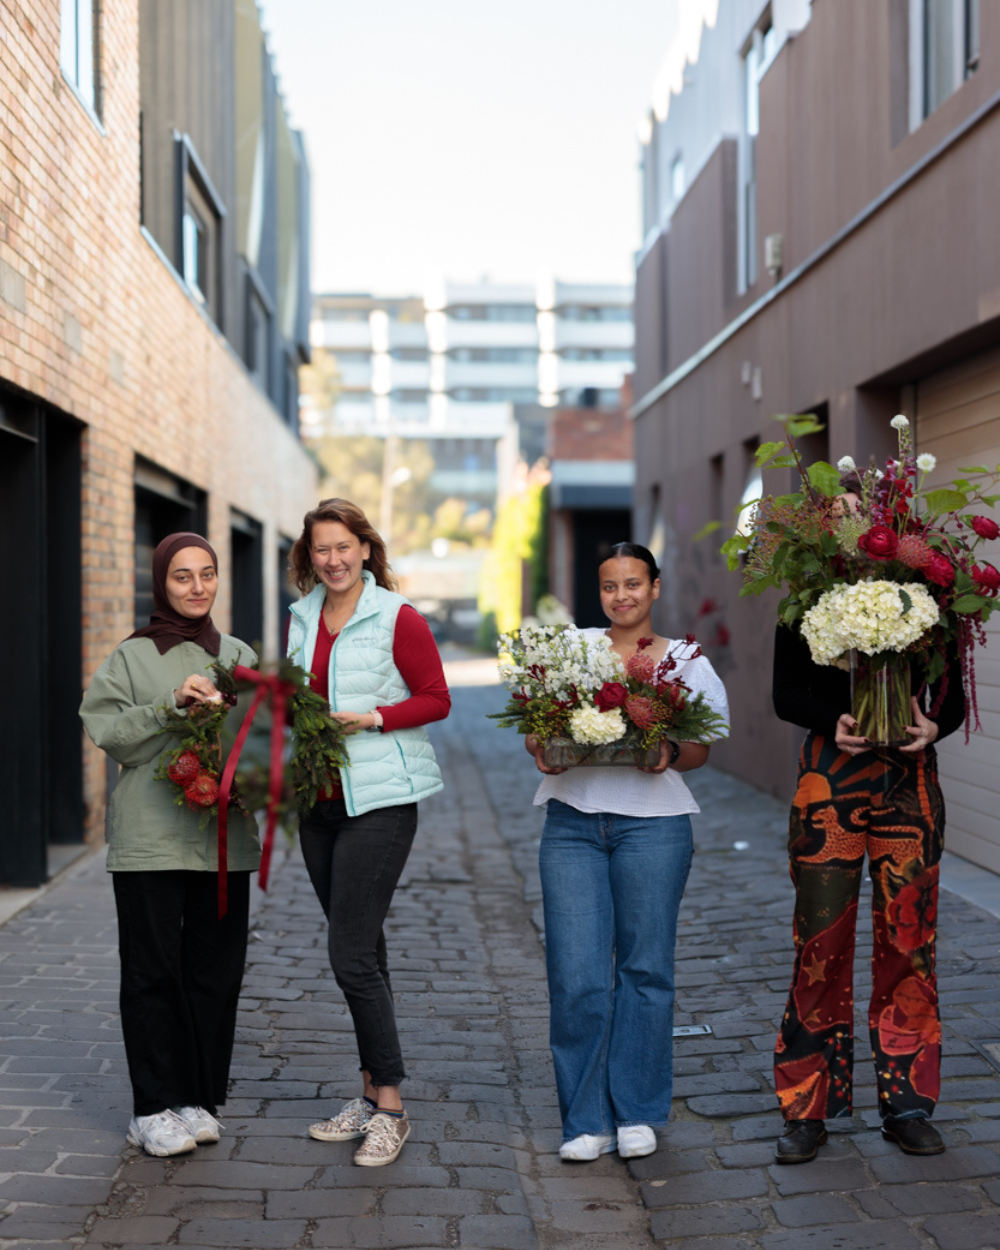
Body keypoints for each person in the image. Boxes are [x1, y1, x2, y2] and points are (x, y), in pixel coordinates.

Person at [771, 485, 965, 1164]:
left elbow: (953, 697)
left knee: (908, 943)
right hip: (830, 783)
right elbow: (783, 693)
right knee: (818, 943)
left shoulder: (925, 592)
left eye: (863, 515)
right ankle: (806, 1110)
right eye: (839, 516)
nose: (852, 527)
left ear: (884, 525)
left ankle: (907, 1105)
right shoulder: (802, 594)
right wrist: (836, 721)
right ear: (824, 529)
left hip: (909, 784)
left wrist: (933, 725)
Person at [524, 542, 729, 1162]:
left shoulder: (687, 661)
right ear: (600, 591)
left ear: (656, 587)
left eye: (633, 584)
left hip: (655, 826)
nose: (621, 596)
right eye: (610, 586)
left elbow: (700, 749)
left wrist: (668, 749)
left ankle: (637, 1111)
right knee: (577, 975)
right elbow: (536, 727)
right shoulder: (574, 652)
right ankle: (585, 1120)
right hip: (572, 824)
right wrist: (541, 740)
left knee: (645, 969)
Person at [80, 533, 260, 1157]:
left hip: (220, 842)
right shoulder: (130, 656)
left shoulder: (238, 655)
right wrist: (169, 705)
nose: (197, 587)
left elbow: (256, 746)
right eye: (182, 577)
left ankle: (197, 1099)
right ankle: (151, 1107)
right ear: (161, 583)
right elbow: (108, 732)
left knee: (215, 973)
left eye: (207, 574)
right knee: (153, 972)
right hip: (150, 841)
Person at [286, 498, 450, 1167]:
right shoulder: (301, 618)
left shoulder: (398, 616)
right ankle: (366, 1095)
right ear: (310, 556)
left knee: (349, 955)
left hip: (380, 801)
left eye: (342, 547)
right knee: (366, 954)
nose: (333, 559)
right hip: (317, 803)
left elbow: (437, 697)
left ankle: (391, 1108)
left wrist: (375, 717)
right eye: (320, 549)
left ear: (364, 548)